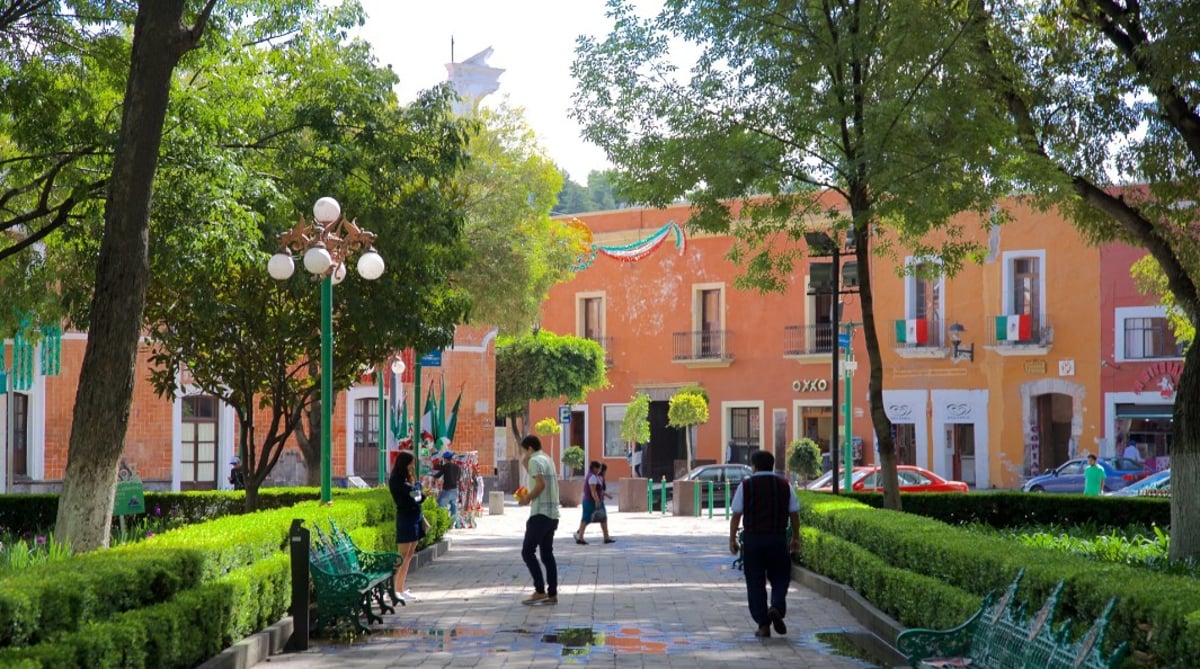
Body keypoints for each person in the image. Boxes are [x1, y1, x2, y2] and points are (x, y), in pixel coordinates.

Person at [729, 449, 801, 638]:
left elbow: (736, 514)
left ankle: (763, 625)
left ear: (754, 467)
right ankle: (776, 606)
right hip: (777, 539)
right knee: (781, 576)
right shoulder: (784, 485)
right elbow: (794, 513)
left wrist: (732, 539)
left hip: (753, 540)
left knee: (755, 582)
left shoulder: (746, 486)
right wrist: (795, 537)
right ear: (772, 465)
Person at [518, 434, 560, 605]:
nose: (524, 455)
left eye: (524, 451)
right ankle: (552, 594)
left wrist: (527, 498)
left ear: (529, 448)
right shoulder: (547, 459)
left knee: (527, 551)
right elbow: (535, 476)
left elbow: (540, 484)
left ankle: (540, 590)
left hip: (540, 513)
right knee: (547, 554)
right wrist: (524, 461)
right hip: (552, 514)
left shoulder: (535, 460)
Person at [387, 450, 424, 601]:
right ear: (404, 464)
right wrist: (418, 491)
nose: (412, 467)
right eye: (410, 464)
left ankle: (400, 588)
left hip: (414, 517)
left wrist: (418, 491)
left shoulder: (406, 479)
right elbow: (416, 496)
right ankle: (393, 589)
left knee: (409, 555)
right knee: (401, 555)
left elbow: (418, 496)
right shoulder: (397, 480)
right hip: (405, 518)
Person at [573, 461, 612, 545]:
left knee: (602, 519)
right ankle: (580, 537)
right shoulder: (592, 477)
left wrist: (606, 495)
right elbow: (593, 491)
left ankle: (606, 537)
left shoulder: (593, 476)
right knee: (586, 519)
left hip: (591, 501)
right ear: (594, 468)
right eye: (598, 468)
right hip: (591, 502)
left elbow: (598, 490)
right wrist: (597, 501)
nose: (599, 470)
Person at [432, 448, 462, 527]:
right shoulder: (457, 467)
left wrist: (432, 477)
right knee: (454, 508)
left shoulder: (445, 466)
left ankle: (440, 524)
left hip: (447, 490)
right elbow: (458, 478)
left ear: (445, 459)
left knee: (440, 506)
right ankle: (456, 524)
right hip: (455, 490)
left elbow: (438, 475)